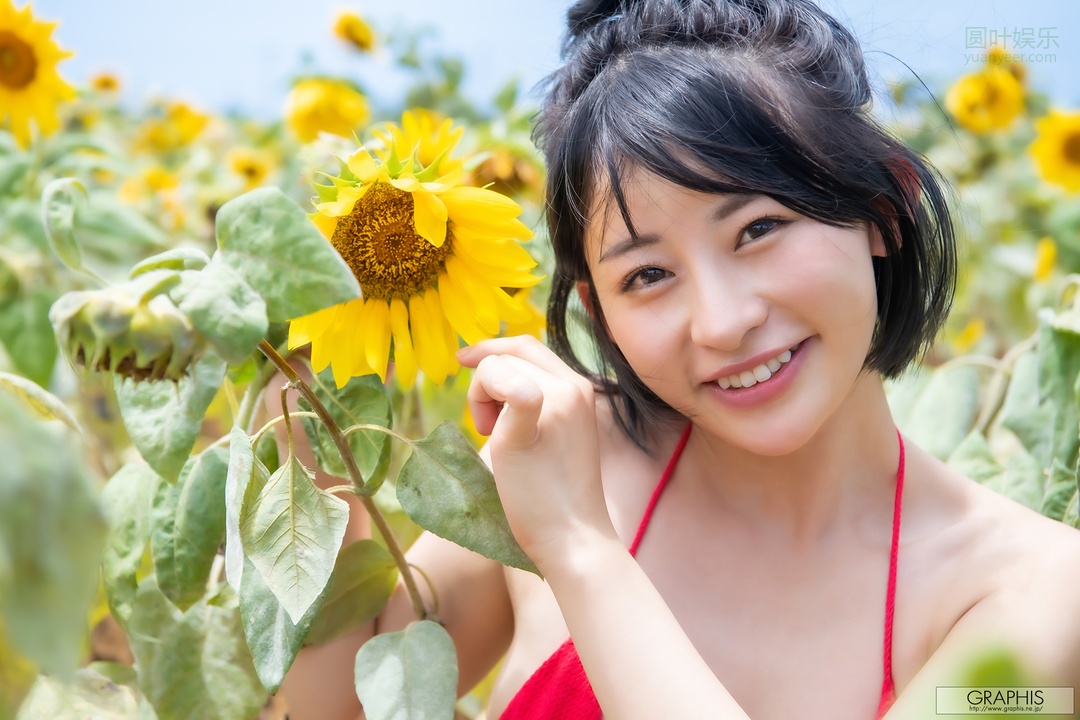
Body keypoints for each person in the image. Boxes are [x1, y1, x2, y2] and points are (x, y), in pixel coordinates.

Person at [280, 1, 1080, 718]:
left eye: (759, 229)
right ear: (601, 313)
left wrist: (581, 549)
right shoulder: (560, 460)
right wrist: (297, 394)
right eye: (648, 276)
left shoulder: (1043, 597)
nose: (723, 323)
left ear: (882, 209)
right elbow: (332, 703)